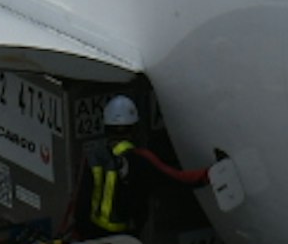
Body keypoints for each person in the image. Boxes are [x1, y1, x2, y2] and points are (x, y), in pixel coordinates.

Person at [85, 92, 208, 235]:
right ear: (135, 128)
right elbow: (178, 179)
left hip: (94, 234)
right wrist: (209, 174)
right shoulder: (140, 161)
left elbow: (81, 197)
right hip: (125, 238)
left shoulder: (94, 155)